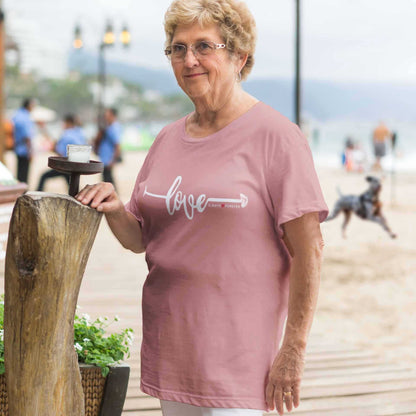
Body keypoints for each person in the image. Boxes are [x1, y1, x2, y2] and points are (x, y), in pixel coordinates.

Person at [76, 1, 328, 415]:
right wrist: (115, 208)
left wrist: (293, 350)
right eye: (178, 48)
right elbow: (141, 237)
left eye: (204, 46)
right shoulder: (167, 139)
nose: (189, 60)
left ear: (239, 57)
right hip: (173, 346)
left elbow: (310, 251)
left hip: (241, 360)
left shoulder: (278, 138)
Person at [36, 114, 86, 191]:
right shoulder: (79, 132)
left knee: (44, 176)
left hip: (67, 165)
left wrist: (52, 148)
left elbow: (60, 152)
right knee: (72, 185)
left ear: (68, 123)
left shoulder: (66, 134)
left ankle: (37, 194)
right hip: (79, 165)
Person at [93, 108, 121, 186]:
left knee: (108, 183)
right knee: (107, 181)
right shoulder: (109, 127)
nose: (105, 116)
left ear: (112, 115)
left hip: (108, 161)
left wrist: (112, 161)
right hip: (105, 160)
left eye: (107, 114)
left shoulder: (113, 128)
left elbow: (117, 146)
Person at [12, 98, 36, 183]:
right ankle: (22, 193)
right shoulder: (25, 117)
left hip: (18, 147)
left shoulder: (17, 115)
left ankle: (18, 192)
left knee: (19, 173)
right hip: (24, 149)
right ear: (29, 105)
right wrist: (30, 151)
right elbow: (27, 136)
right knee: (23, 176)